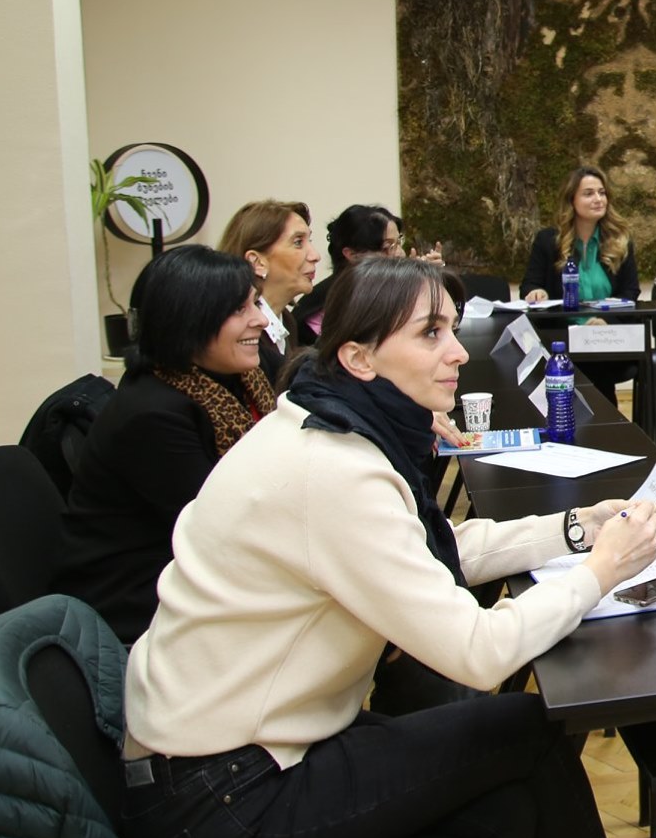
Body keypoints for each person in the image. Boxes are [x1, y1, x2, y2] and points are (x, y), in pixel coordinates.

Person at [118, 258, 656, 838]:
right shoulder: (335, 471)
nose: (456, 352)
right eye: (431, 333)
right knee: (523, 727)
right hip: (222, 798)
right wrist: (601, 571)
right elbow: (479, 653)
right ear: (360, 358)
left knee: (509, 803)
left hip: (221, 762)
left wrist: (574, 529)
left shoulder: (327, 427)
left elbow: (426, 551)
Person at [54, 247, 274, 642]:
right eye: (240, 310)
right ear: (189, 320)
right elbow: (220, 531)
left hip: (197, 572)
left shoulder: (240, 380)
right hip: (138, 602)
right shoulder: (152, 415)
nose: (260, 319)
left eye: (255, 303)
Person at [522, 166, 643, 403]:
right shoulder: (548, 241)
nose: (598, 199)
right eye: (589, 193)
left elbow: (630, 291)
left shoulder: (620, 242)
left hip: (607, 335)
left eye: (602, 192)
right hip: (563, 337)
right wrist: (536, 292)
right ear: (572, 200)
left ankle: (598, 420)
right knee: (578, 362)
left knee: (598, 362)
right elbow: (530, 285)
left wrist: (605, 321)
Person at [218, 199, 322, 385]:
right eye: (298, 242)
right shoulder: (238, 332)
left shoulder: (287, 321)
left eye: (309, 241)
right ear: (257, 262)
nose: (315, 256)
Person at [297, 204, 402, 344]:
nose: (400, 254)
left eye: (398, 243)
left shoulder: (388, 289)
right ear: (352, 254)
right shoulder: (327, 304)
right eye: (388, 247)